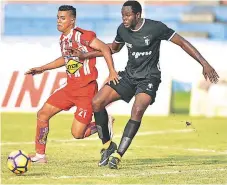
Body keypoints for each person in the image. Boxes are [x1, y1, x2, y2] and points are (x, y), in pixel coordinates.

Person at [69, 0, 219, 169]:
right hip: (129, 76)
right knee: (97, 102)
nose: (124, 19)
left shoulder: (155, 28)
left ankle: (118, 156)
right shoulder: (122, 29)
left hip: (149, 78)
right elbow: (114, 48)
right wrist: (86, 55)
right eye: (122, 15)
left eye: (127, 15)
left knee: (137, 109)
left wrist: (204, 63)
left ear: (138, 15)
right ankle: (107, 145)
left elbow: (183, 43)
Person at [24, 5, 119, 163]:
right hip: (70, 88)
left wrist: (112, 72)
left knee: (77, 134)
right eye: (57, 17)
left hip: (86, 90)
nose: (58, 21)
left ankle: (103, 122)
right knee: (42, 114)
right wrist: (42, 68)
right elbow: (65, 59)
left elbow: (105, 48)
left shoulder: (83, 36)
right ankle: (40, 156)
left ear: (72, 20)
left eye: (62, 18)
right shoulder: (63, 39)